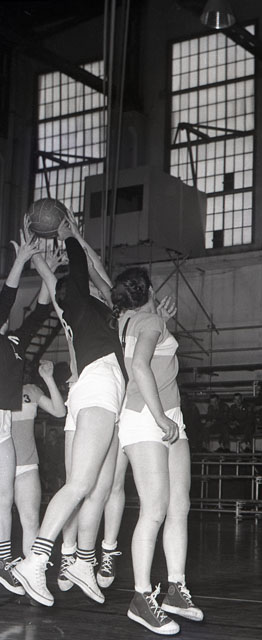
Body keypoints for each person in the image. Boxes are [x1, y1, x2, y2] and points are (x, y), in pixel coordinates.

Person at [14, 217, 127, 608]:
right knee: (81, 485)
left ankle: (82, 561)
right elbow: (82, 267)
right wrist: (68, 236)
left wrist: (38, 259)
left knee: (99, 486)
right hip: (98, 387)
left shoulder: (76, 309)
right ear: (76, 290)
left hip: (90, 391)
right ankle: (35, 561)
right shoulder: (81, 301)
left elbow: (68, 278)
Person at [110, 266, 203, 634]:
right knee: (154, 510)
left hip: (168, 414)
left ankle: (176, 589)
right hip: (148, 415)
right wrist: (161, 416)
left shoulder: (133, 319)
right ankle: (141, 597)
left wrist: (158, 318)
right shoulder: (148, 321)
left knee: (179, 504)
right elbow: (139, 365)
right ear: (148, 289)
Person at [0, 231, 42, 596]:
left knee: (5, 498)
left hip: (3, 419)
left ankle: (5, 561)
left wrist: (43, 269)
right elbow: (7, 296)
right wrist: (20, 260)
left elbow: (40, 313)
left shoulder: (13, 341)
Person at [12, 360, 66, 556]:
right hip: (3, 466)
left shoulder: (31, 391)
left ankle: (30, 568)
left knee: (31, 521)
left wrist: (48, 379)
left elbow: (59, 411)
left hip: (26, 465)